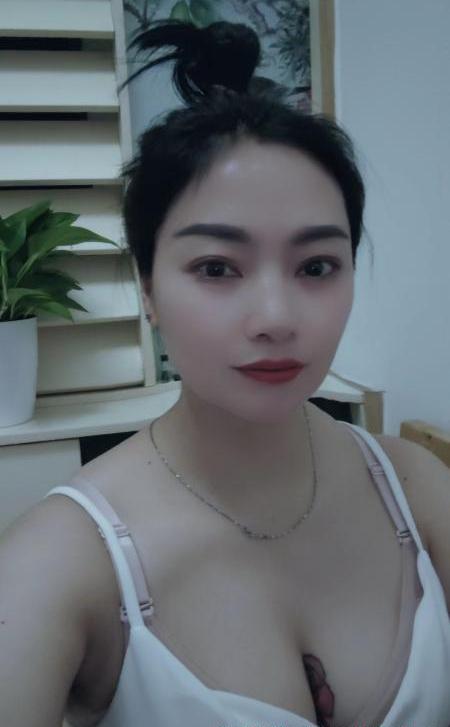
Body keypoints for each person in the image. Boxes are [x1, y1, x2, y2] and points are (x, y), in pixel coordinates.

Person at [1, 19, 449, 727]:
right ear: (148, 287)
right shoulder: (59, 561)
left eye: (316, 266)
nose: (275, 317)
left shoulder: (415, 488)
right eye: (216, 268)